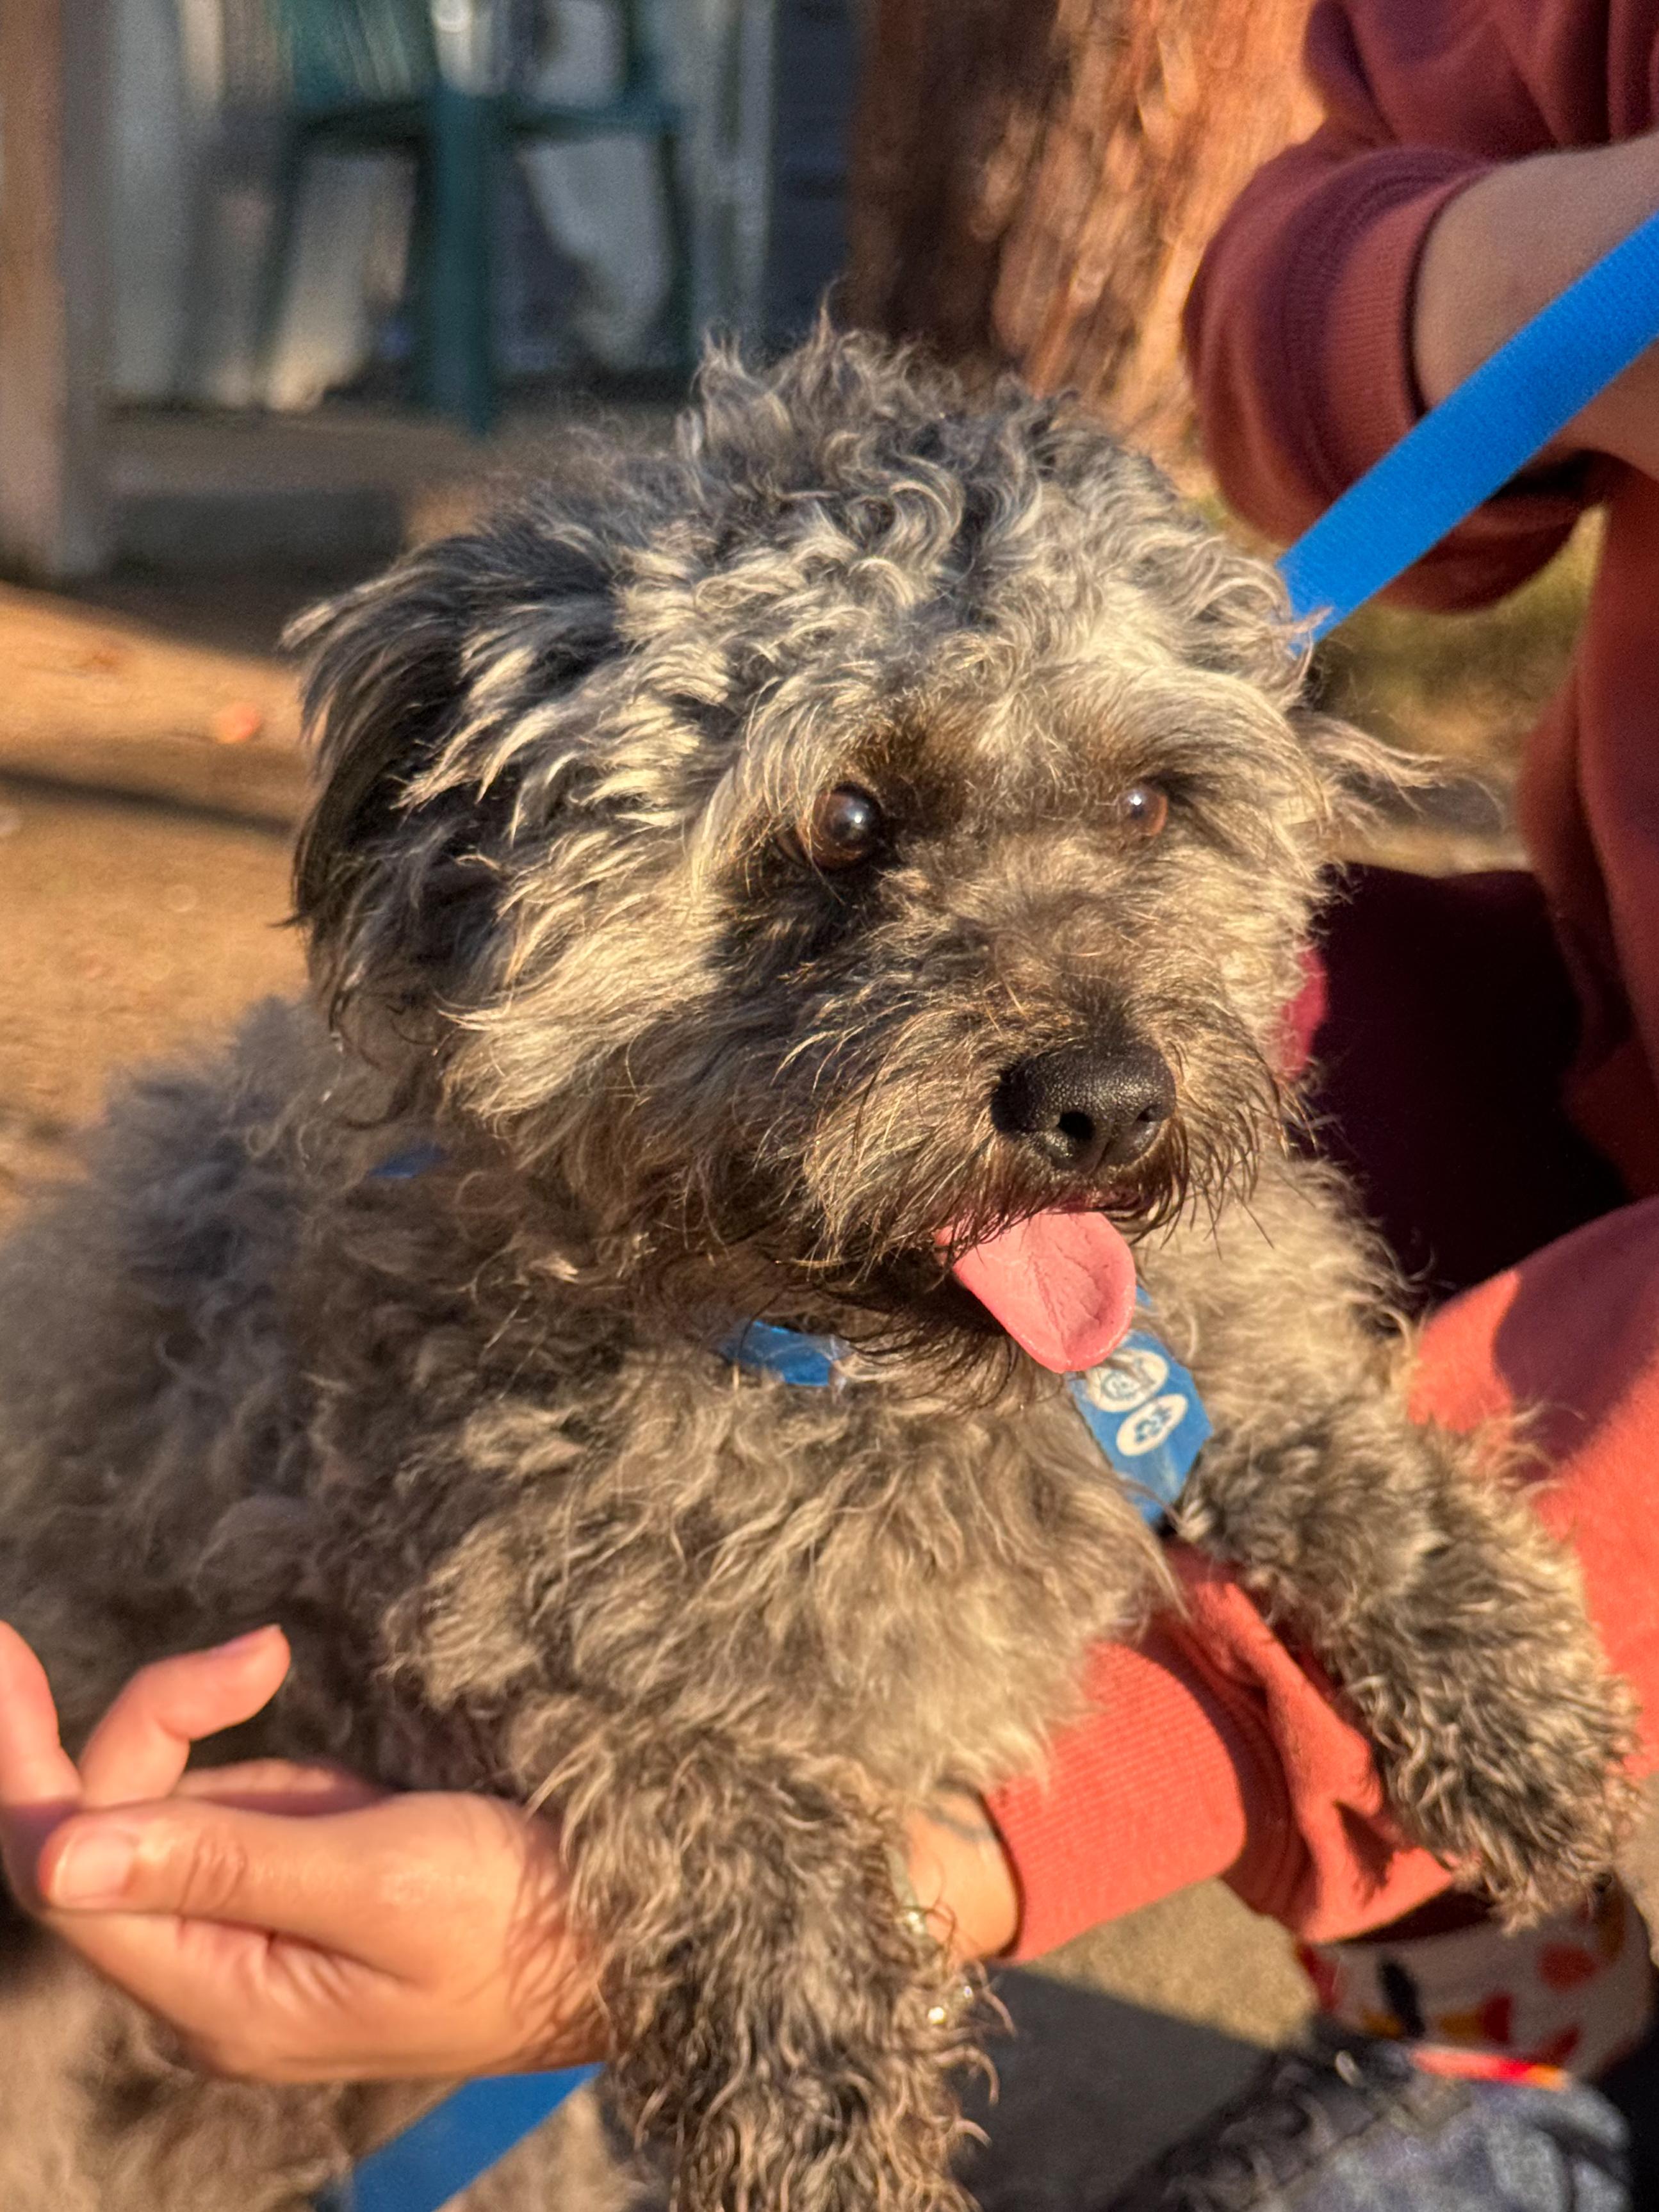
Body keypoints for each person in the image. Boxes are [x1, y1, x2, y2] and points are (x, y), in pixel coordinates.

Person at [9, 0, 1659, 2192]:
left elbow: (1266, 1392)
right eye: (846, 850)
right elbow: (1316, 236)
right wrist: (1517, 275)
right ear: (466, 871)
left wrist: (1397, 1555)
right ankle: (1510, 2041)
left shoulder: (1187, 1250)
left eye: (1153, 807)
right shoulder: (464, 1342)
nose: (1091, 1044)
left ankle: (1527, 2062)